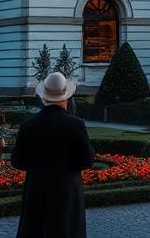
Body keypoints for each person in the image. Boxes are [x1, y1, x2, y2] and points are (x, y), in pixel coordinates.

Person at [11, 71, 94, 238]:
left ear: (43, 98)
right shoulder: (75, 124)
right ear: (66, 98)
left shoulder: (28, 124)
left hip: (36, 189)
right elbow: (87, 160)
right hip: (67, 189)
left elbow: (17, 161)